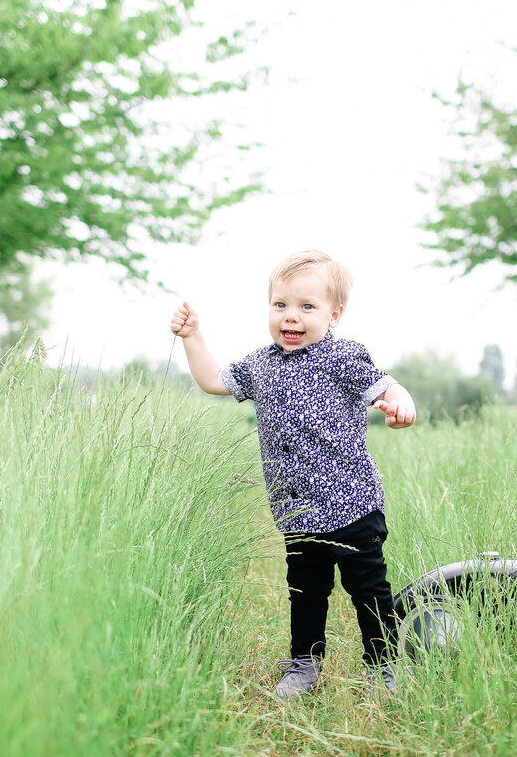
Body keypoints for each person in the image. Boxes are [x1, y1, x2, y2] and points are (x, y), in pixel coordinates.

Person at [169, 250, 417, 699]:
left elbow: (385, 384)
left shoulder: (343, 356)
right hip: (297, 510)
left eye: (307, 307)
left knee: (369, 590)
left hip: (352, 502)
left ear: (334, 314)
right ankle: (304, 663)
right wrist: (193, 336)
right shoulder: (261, 365)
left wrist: (402, 402)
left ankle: (383, 666)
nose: (291, 317)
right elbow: (212, 380)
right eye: (281, 305)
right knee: (305, 591)